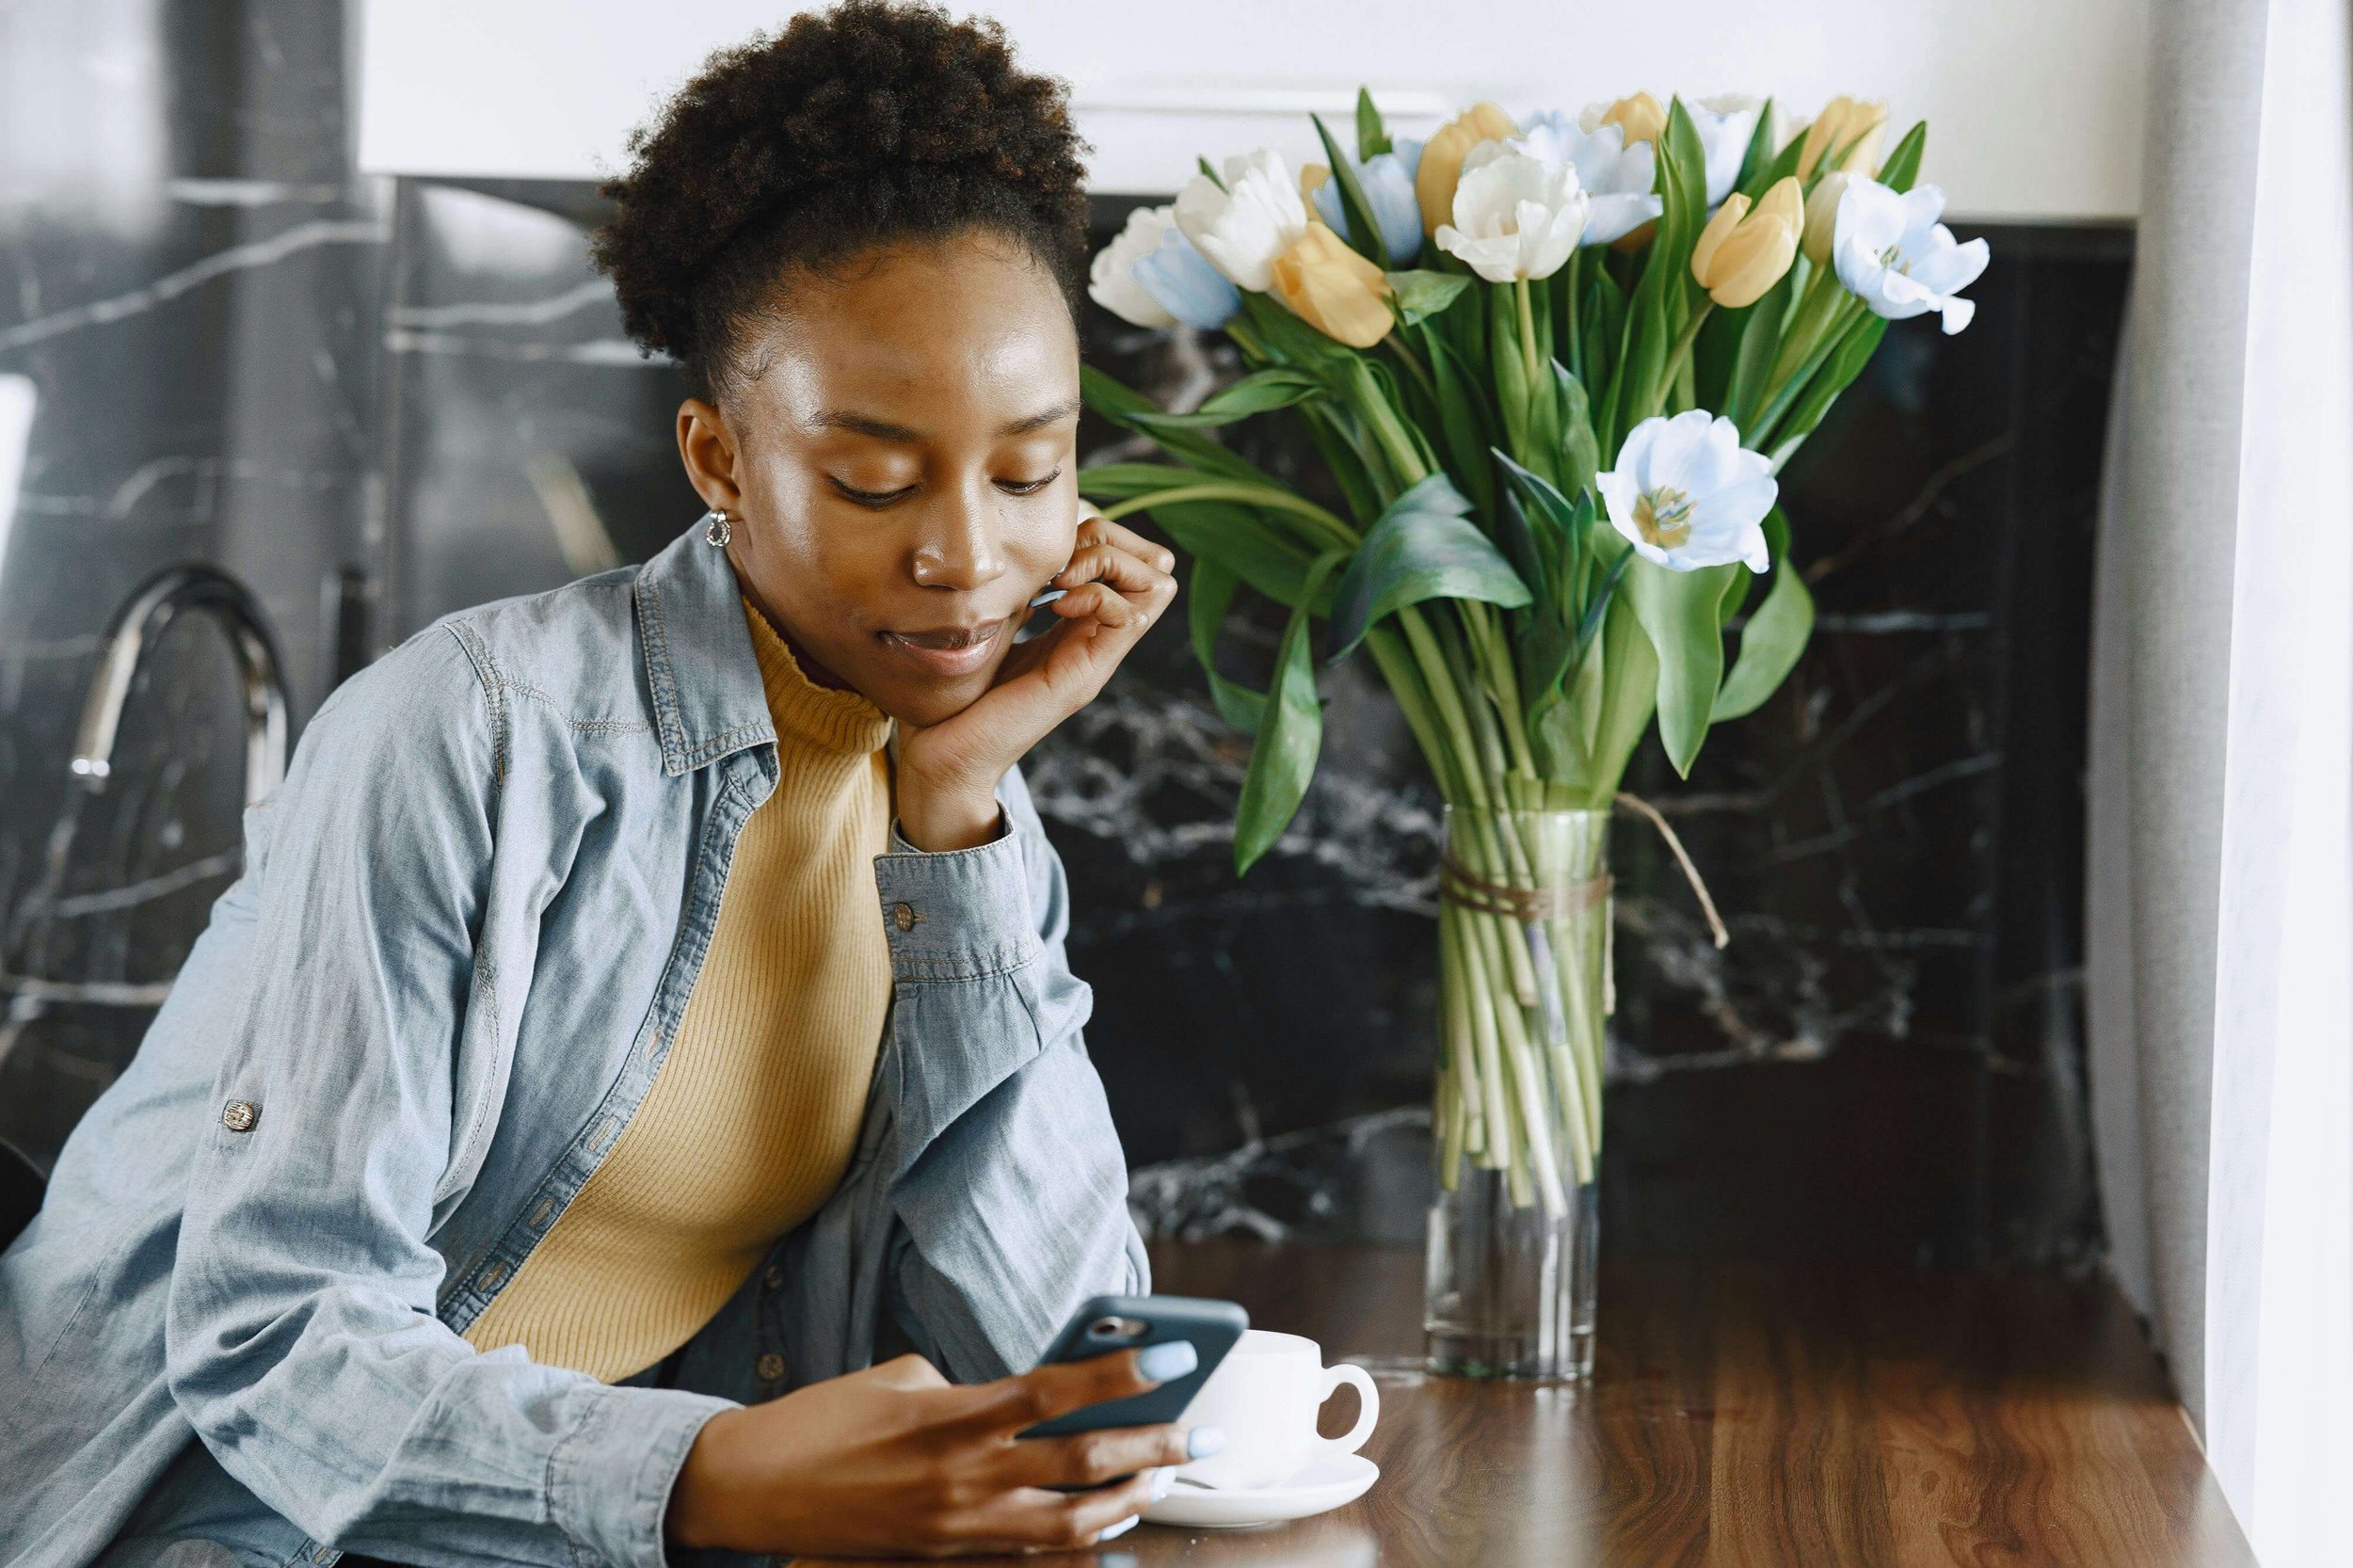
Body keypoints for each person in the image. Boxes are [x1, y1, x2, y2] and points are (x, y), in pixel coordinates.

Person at [0, 3, 1209, 1562]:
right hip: (203, 1513)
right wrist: (713, 1478)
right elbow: (274, 1342)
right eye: (872, 480)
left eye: (1031, 470)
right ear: (717, 460)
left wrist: (962, 806)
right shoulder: (473, 734)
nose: (968, 556)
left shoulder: (950, 810)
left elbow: (1045, 1357)